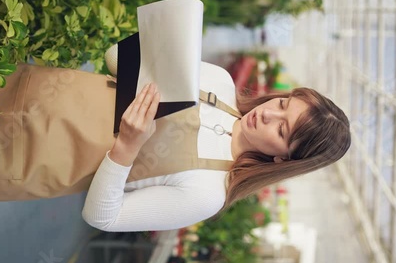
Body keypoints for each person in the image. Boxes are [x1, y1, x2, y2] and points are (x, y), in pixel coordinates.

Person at [81, 50, 351, 232]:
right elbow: (116, 56)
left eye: (282, 130)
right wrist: (164, 44)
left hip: (48, 156)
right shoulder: (218, 82)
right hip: (54, 88)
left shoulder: (208, 194)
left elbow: (103, 217)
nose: (268, 113)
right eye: (283, 103)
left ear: (283, 159)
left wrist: (127, 146)